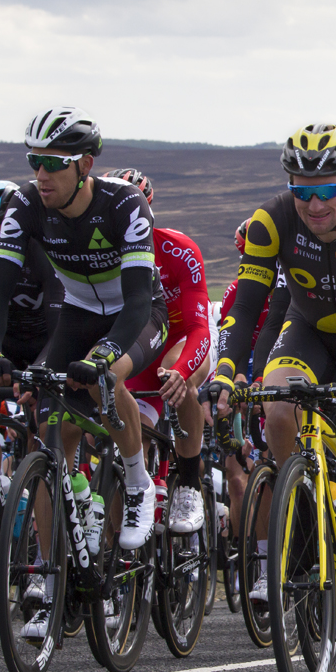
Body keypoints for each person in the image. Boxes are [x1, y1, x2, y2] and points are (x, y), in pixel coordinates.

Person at [209, 123, 336, 657]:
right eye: (302, 191)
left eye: (326, 191)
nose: (314, 204)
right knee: (277, 406)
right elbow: (247, 307)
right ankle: (302, 519)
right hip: (312, 330)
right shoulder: (271, 220)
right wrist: (227, 371)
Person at [0, 107, 168, 640]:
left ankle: (135, 482)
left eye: (52, 164)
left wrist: (106, 354)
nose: (40, 174)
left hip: (138, 314)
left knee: (109, 379)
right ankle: (51, 557)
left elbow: (134, 304)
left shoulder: (123, 204)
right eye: (33, 161)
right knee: (45, 425)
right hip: (79, 313)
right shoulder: (24, 206)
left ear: (85, 164)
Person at [105, 168, 213, 536]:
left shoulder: (178, 250)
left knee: (174, 374)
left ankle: (188, 485)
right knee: (132, 440)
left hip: (181, 342)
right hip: (139, 347)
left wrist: (184, 370)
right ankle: (122, 562)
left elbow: (200, 329)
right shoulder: (101, 256)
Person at [0, 180, 62, 369]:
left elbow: (60, 329)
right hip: (2, 342)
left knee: (48, 392)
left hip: (48, 342)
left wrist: (40, 372)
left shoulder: (41, 250)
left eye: (1, 235)